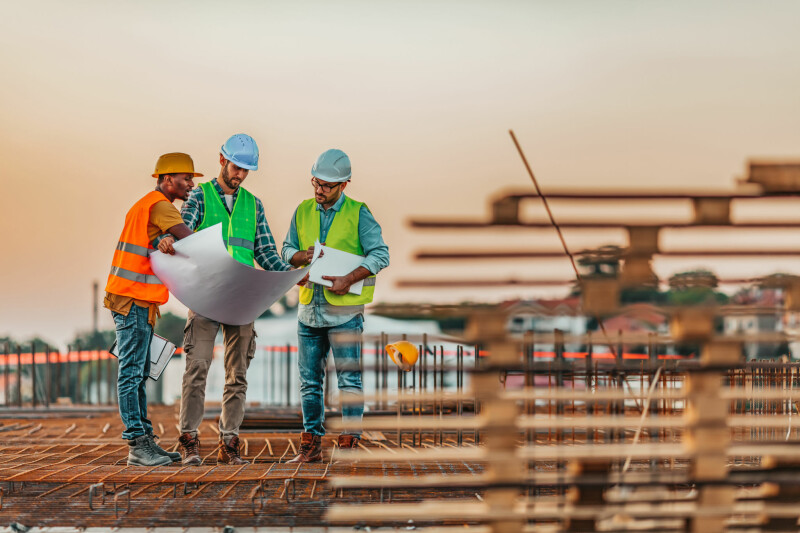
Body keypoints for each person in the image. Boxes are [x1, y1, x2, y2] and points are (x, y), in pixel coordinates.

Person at [168, 134, 294, 466]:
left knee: (237, 374)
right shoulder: (199, 196)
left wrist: (289, 274)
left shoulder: (254, 205)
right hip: (206, 294)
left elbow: (266, 253)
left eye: (245, 171)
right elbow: (183, 232)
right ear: (222, 160)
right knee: (196, 368)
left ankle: (229, 442)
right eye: (236, 167)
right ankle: (190, 441)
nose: (239, 175)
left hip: (241, 299)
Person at [281, 149, 389, 463]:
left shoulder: (358, 212)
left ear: (344, 184)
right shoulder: (302, 211)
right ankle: (311, 444)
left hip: (344, 313)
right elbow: (287, 249)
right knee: (309, 382)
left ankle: (349, 444)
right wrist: (302, 259)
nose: (319, 190)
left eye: (327, 185)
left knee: (349, 380)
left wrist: (349, 278)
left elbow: (380, 255)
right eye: (316, 182)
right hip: (309, 311)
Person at [105, 152, 200, 466]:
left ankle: (145, 442)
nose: (190, 185)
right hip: (132, 300)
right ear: (168, 178)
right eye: (186, 179)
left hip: (134, 300)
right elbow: (191, 241)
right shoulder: (160, 205)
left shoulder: (145, 205)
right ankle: (137, 445)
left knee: (138, 372)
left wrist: (163, 239)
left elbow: (159, 241)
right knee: (131, 373)